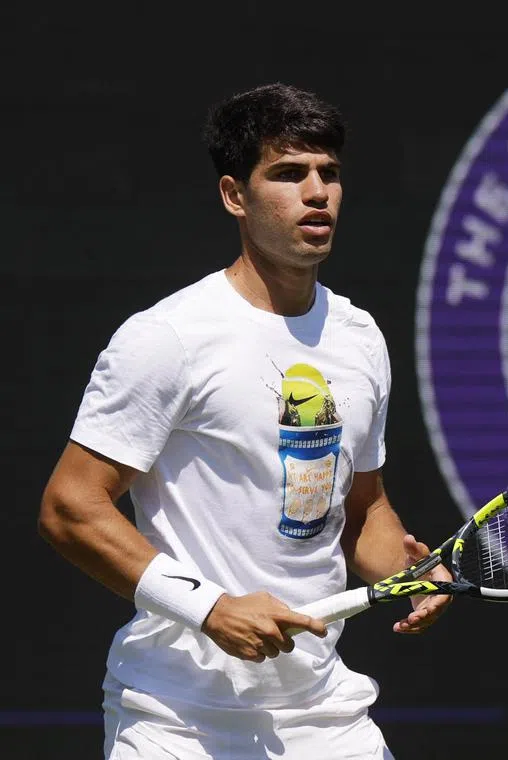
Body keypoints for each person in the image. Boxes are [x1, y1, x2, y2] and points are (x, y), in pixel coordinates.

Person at [37, 82, 450, 759]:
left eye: (329, 174)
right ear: (235, 195)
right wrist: (210, 607)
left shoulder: (359, 337)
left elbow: (365, 507)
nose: (317, 193)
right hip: (176, 718)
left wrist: (412, 575)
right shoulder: (168, 337)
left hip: (325, 716)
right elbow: (69, 507)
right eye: (288, 174)